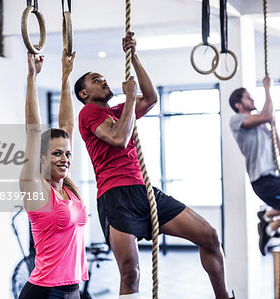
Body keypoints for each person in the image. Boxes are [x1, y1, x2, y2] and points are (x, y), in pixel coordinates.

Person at [75, 32, 233, 299]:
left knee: (209, 236)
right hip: (116, 196)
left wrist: (134, 57)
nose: (102, 81)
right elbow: (118, 138)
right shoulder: (89, 112)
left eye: (102, 78)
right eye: (95, 80)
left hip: (142, 192)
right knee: (130, 272)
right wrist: (129, 98)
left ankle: (224, 297)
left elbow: (150, 98)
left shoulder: (117, 111)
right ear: (84, 93)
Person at [18, 49, 88, 299]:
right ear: (41, 158)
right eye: (57, 154)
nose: (65, 159)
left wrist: (66, 76)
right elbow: (34, 132)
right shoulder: (35, 188)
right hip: (45, 293)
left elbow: (67, 126)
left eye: (67, 154)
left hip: (73, 290)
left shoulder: (68, 188)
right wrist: (32, 78)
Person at [229, 75, 280, 256]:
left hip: (275, 176)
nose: (253, 99)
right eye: (248, 97)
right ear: (238, 105)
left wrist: (273, 125)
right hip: (262, 180)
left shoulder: (263, 127)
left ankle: (269, 223)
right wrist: (267, 88)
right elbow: (266, 115)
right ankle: (269, 219)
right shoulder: (236, 121)